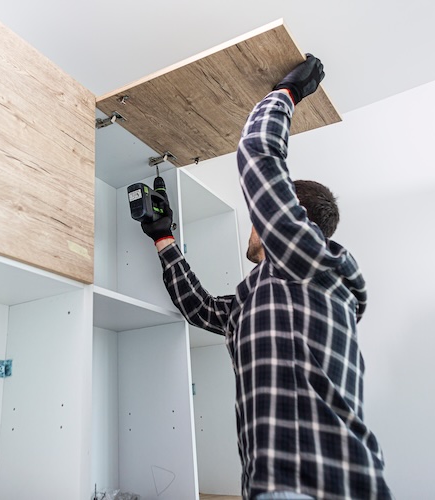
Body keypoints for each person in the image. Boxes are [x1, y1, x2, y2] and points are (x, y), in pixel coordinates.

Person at [138, 55, 393, 499]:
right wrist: (164, 239)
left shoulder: (313, 264)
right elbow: (201, 309)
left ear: (289, 221)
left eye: (261, 214)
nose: (252, 223)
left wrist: (286, 94)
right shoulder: (264, 294)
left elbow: (258, 153)